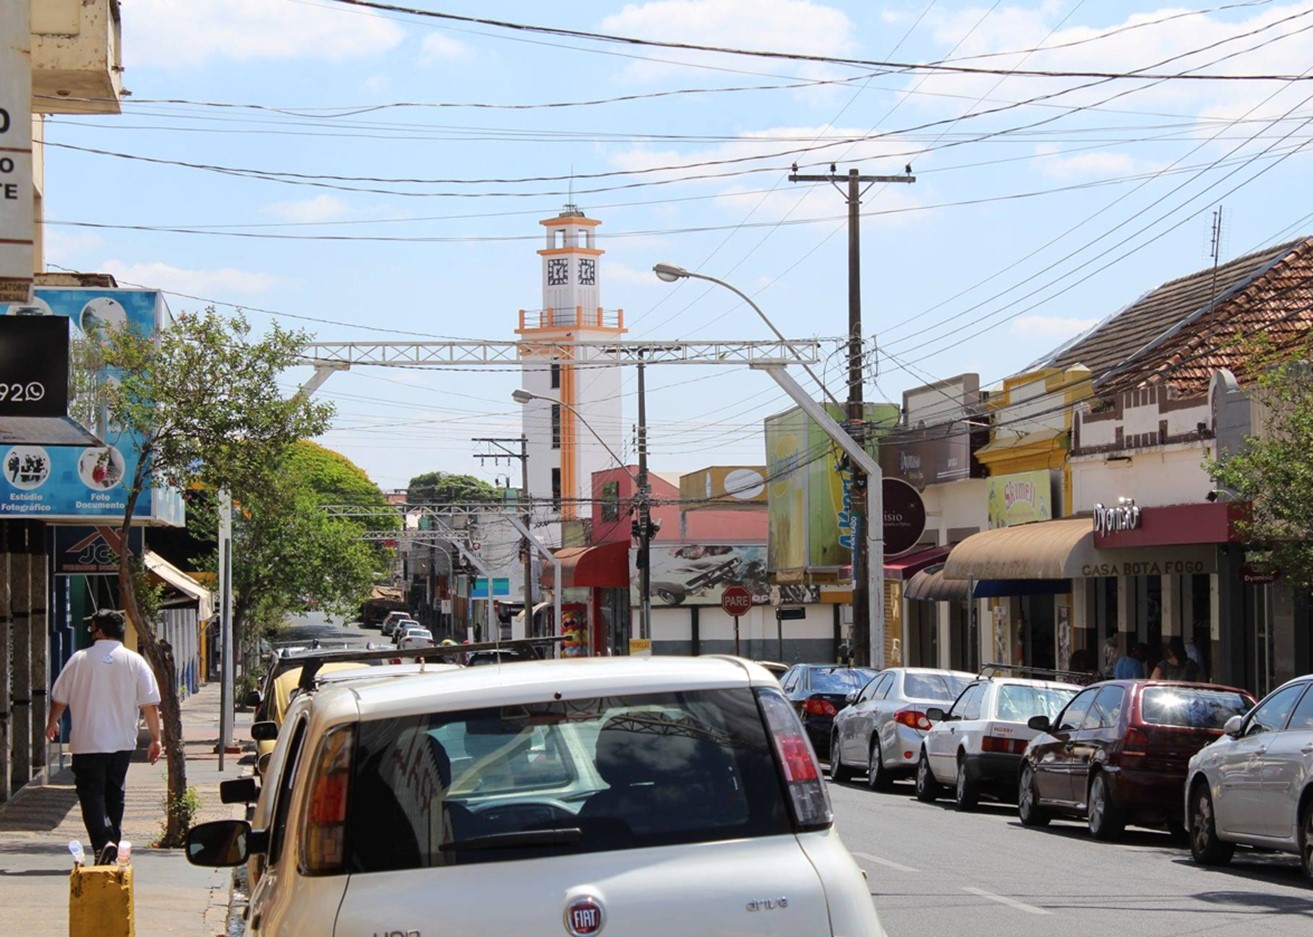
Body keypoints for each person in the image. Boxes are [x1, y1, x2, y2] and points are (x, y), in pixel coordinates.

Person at [44, 609, 162, 866]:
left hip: (87, 742)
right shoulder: (135, 661)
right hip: (122, 743)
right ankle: (112, 848)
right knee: (114, 793)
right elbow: (150, 705)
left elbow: (59, 698)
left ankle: (103, 843)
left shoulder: (79, 659)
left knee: (90, 793)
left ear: (99, 631)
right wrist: (156, 739)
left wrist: (52, 723)